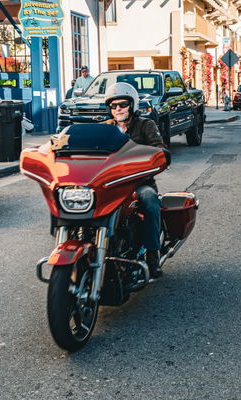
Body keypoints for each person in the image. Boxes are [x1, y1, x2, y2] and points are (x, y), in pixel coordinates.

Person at [103, 82, 165, 278]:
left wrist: (156, 157)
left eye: (122, 104)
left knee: (149, 200)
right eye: (113, 105)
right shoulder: (104, 129)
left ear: (132, 104)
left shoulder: (146, 125)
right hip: (109, 185)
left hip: (139, 183)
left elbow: (159, 149)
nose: (118, 108)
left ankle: (153, 255)